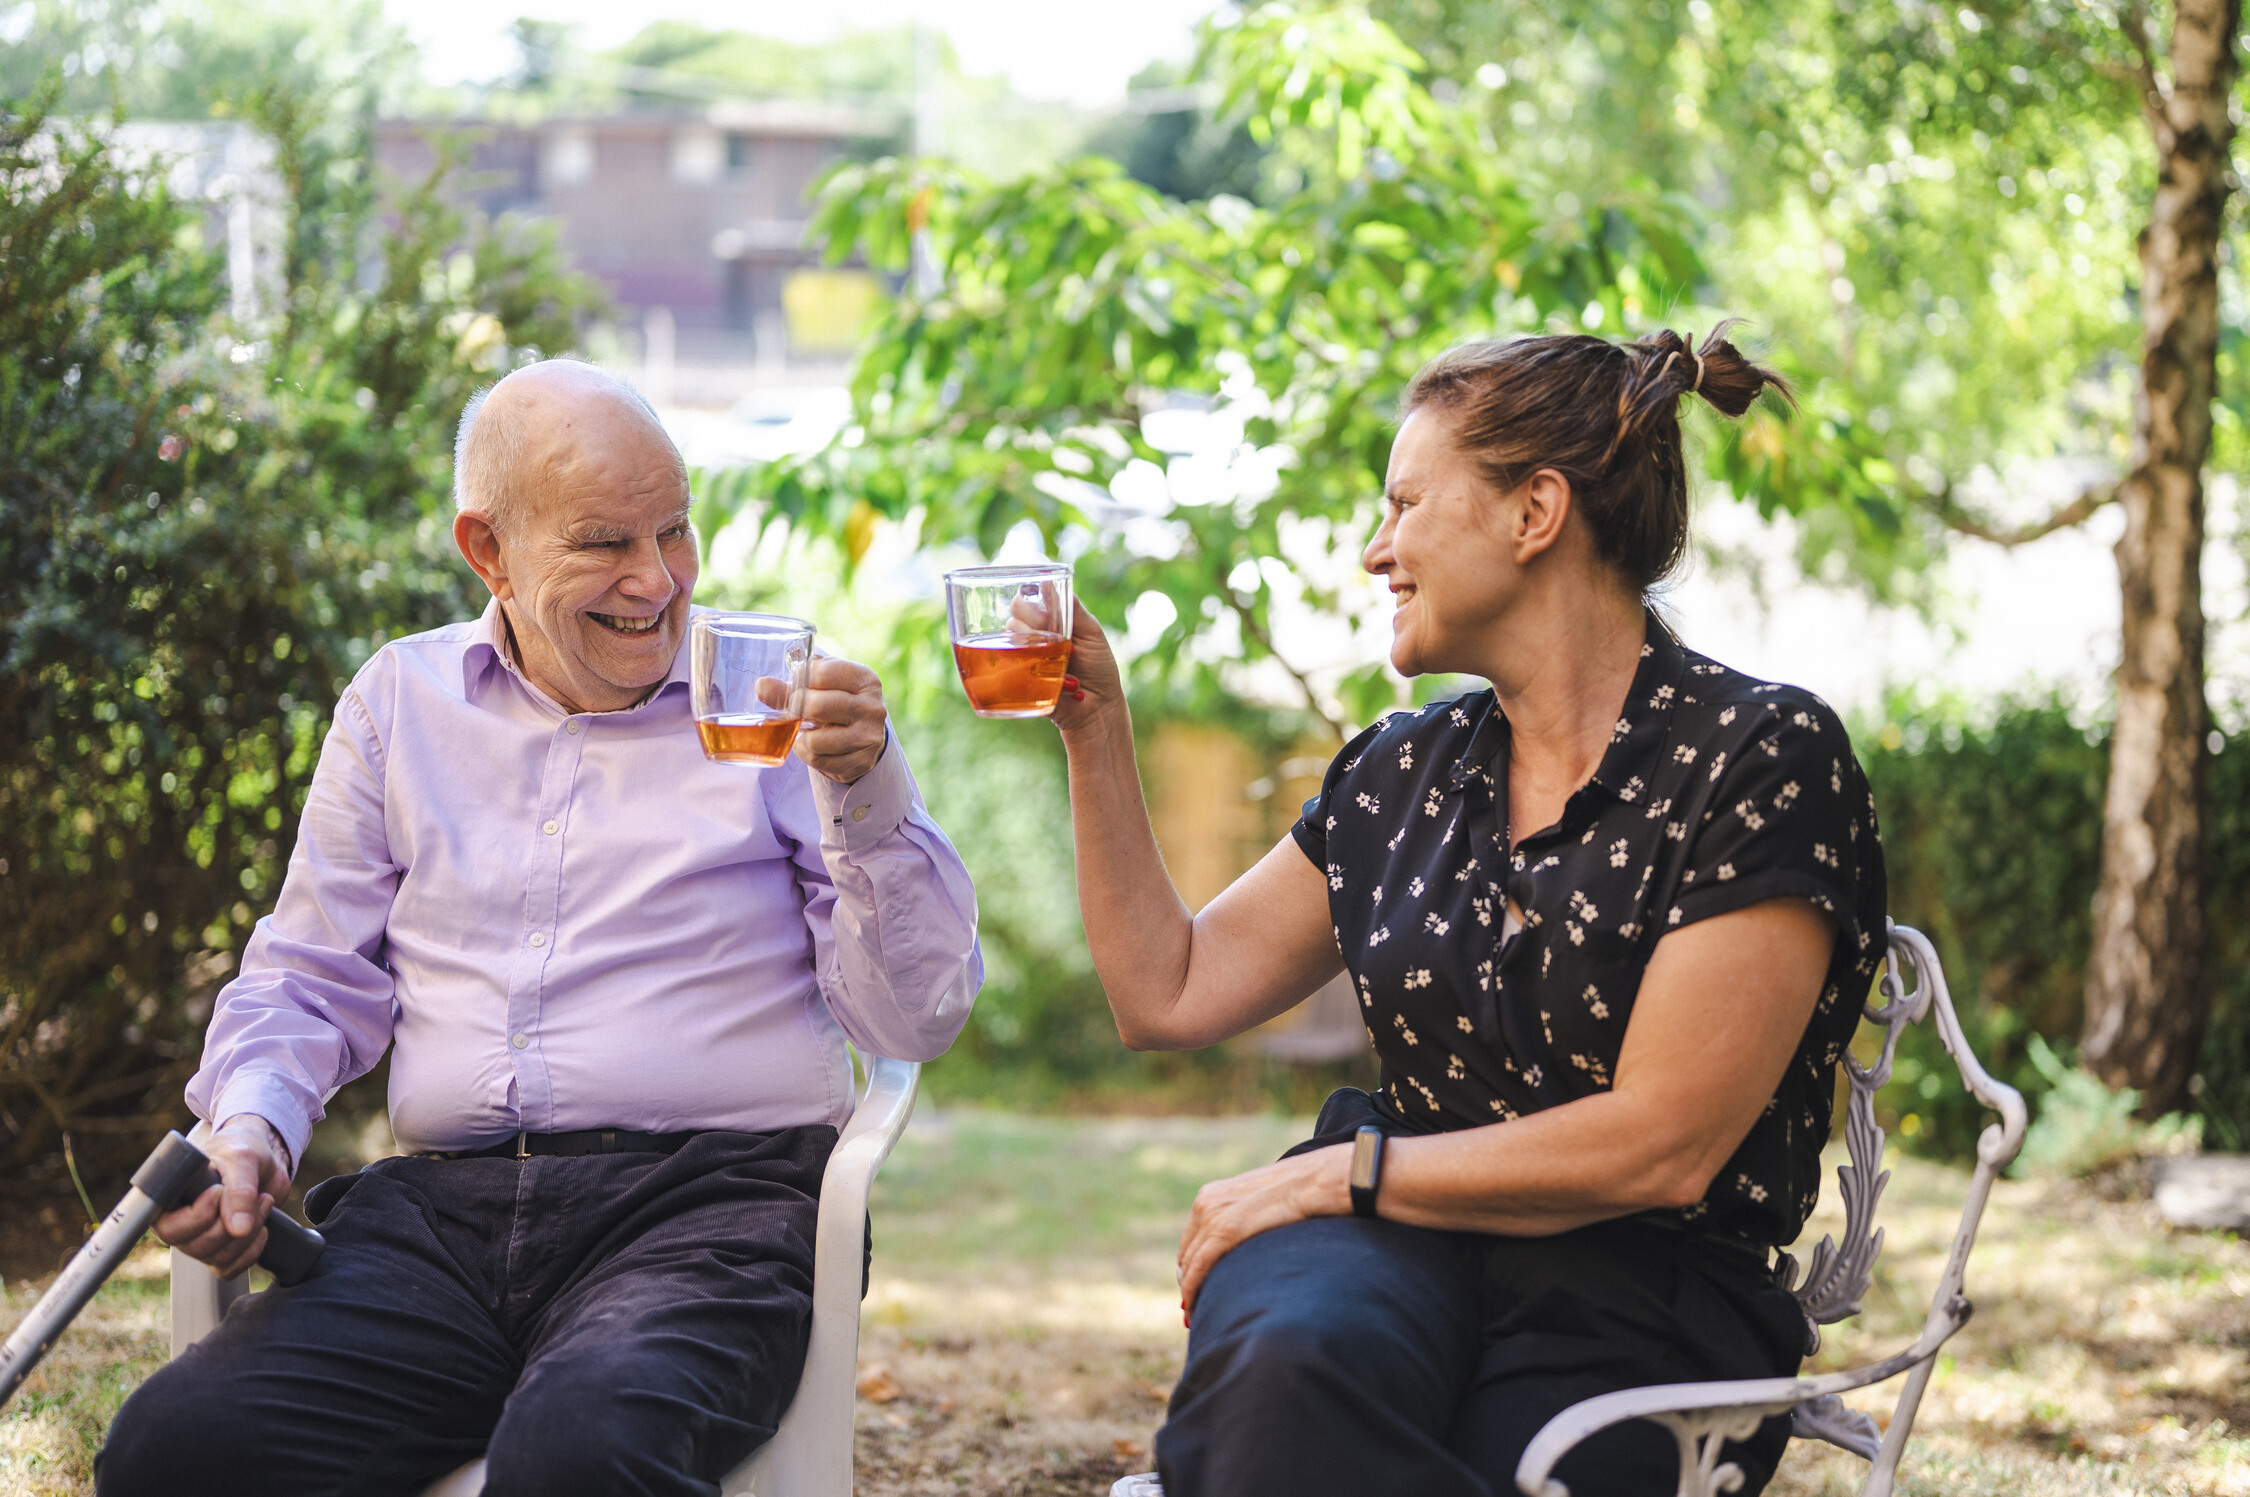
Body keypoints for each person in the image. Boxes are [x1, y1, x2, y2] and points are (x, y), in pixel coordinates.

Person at [97, 359, 982, 1497]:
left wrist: (867, 791)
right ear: (488, 552)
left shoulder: (772, 708)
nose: (656, 581)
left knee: (579, 1455)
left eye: (675, 532)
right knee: (177, 1452)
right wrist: (250, 1133)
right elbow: (307, 979)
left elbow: (915, 1015)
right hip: (439, 1225)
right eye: (605, 542)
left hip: (711, 1216)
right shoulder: (399, 705)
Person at [1051, 326, 1886, 1497]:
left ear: (1533, 513)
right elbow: (1169, 991)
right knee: (1281, 1378)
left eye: (1403, 505)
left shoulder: (1757, 761)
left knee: (1511, 1470)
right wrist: (1096, 732)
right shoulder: (1402, 771)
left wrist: (1329, 1175)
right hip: (1391, 1253)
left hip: (1642, 1290)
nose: (1373, 551)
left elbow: (1663, 1146)